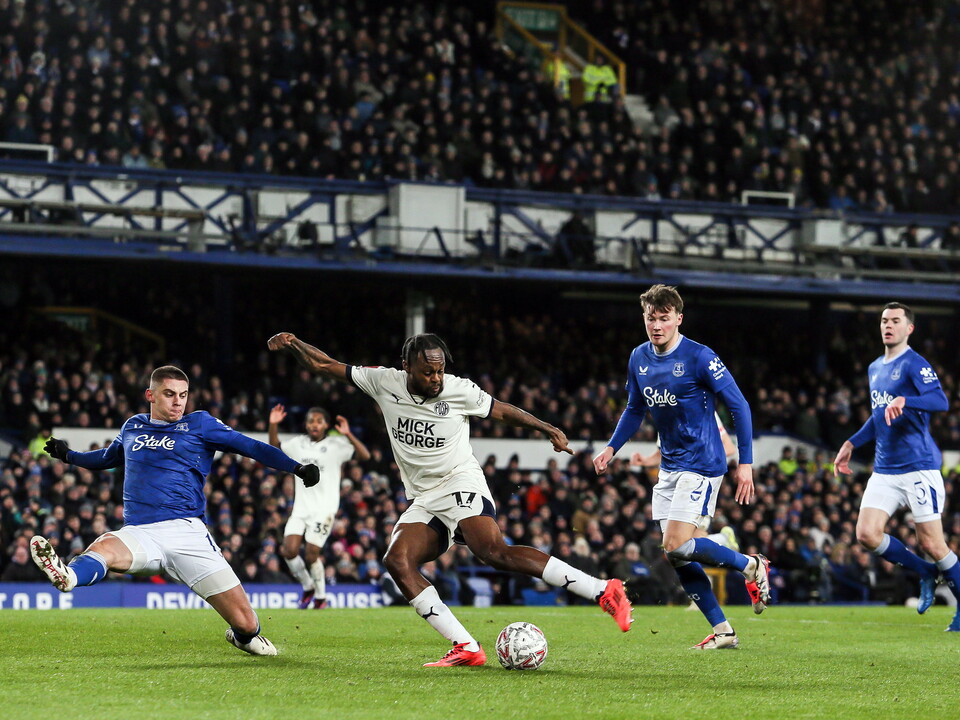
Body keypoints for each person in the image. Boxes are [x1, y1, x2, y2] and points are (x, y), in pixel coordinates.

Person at [268, 331, 632, 666]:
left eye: (440, 372)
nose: (436, 380)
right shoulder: (383, 381)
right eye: (428, 373)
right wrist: (293, 342)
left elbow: (502, 410)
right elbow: (324, 365)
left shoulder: (459, 390)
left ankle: (603, 590)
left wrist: (548, 428)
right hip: (425, 496)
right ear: (406, 366)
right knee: (397, 560)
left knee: (492, 552)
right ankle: (466, 646)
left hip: (460, 480)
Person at [30, 365, 320, 656]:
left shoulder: (201, 424)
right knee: (105, 546)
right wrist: (69, 456)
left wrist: (295, 467)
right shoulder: (133, 426)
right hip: (141, 532)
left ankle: (243, 637)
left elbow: (251, 447)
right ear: (151, 395)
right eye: (169, 394)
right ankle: (69, 576)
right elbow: (107, 458)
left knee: (247, 623)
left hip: (188, 535)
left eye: (183, 395)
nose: (178, 401)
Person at [593, 284, 770, 650]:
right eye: (650, 318)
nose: (656, 325)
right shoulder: (639, 357)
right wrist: (612, 448)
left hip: (703, 463)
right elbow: (635, 408)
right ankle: (723, 630)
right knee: (675, 554)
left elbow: (740, 406)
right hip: (671, 466)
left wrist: (746, 463)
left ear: (678, 319)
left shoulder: (700, 357)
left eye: (664, 318)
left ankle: (750, 565)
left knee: (675, 544)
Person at [833, 302, 960, 631]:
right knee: (866, 534)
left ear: (909, 329)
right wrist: (850, 444)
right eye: (884, 321)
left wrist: (907, 400)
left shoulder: (915, 364)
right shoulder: (875, 367)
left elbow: (940, 401)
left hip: (919, 465)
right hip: (886, 468)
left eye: (895, 321)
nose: (888, 325)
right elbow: (879, 416)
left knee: (933, 543)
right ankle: (925, 571)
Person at [268, 403, 371, 609]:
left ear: (325, 425)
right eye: (311, 421)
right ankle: (308, 587)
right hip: (301, 509)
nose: (314, 425)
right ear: (306, 425)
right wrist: (273, 425)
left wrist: (348, 434)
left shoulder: (336, 445)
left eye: (319, 421)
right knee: (289, 551)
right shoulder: (298, 444)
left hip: (324, 509)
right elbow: (274, 449)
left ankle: (321, 597)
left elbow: (364, 456)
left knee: (311, 554)